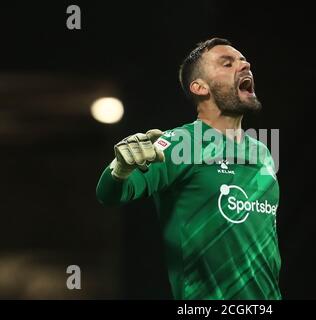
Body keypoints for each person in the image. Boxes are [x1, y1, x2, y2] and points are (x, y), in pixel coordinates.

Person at [96, 38, 281, 299]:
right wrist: (120, 168)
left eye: (243, 60)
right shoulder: (180, 145)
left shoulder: (263, 153)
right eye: (227, 63)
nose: (244, 65)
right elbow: (111, 193)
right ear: (200, 87)